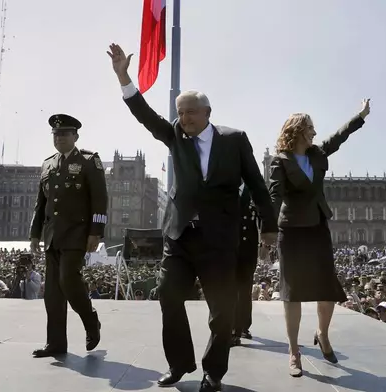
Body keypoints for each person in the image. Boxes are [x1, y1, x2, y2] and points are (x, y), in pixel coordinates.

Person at [107, 43, 277, 392]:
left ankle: (213, 372)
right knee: (168, 294)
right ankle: (179, 363)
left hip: (219, 237)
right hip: (180, 233)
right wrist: (125, 78)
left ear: (207, 112)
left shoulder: (234, 140)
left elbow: (257, 184)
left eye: (189, 113)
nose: (182, 119)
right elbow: (145, 115)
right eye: (179, 113)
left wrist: (269, 227)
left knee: (221, 309)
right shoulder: (174, 136)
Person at [268, 100, 370, 377]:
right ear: (298, 130)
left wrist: (359, 116)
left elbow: (339, 137)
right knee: (292, 293)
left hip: (317, 226)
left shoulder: (316, 154)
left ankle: (322, 334)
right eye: (310, 128)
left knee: (327, 287)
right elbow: (275, 195)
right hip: (291, 230)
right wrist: (267, 228)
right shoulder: (280, 160)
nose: (314, 132)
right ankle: (293, 351)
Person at [29, 113, 108, 358]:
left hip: (77, 233)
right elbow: (40, 204)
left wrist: (96, 232)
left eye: (65, 134)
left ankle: (90, 320)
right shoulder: (48, 164)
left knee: (68, 280)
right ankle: (55, 343)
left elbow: (100, 199)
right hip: (52, 235)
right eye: (56, 134)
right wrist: (34, 234)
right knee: (52, 292)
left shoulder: (88, 161)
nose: (60, 138)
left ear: (75, 136)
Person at [232, 183, 261, 346]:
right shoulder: (226, 185)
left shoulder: (253, 189)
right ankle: (231, 326)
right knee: (229, 289)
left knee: (245, 290)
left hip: (248, 248)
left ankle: (243, 326)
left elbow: (263, 214)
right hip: (229, 246)